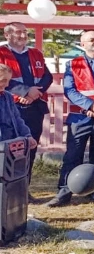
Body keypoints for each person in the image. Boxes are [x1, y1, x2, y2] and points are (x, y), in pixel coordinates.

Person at [50, 31, 94, 207]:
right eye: (92, 39)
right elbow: (70, 90)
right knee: (73, 156)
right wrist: (90, 106)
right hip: (80, 118)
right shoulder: (73, 64)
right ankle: (64, 192)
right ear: (82, 44)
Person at [0, 23, 52, 190]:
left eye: (24, 32)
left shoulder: (35, 53)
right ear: (7, 35)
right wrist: (25, 92)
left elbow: (47, 76)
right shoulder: (1, 53)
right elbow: (3, 79)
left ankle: (24, 190)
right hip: (11, 108)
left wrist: (36, 92)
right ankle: (6, 189)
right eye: (18, 32)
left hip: (35, 108)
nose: (23, 36)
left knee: (30, 149)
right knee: (10, 151)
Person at [0, 64, 37, 147]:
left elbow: (17, 119)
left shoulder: (8, 97)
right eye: (3, 80)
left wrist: (27, 136)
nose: (7, 85)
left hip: (10, 142)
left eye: (9, 81)